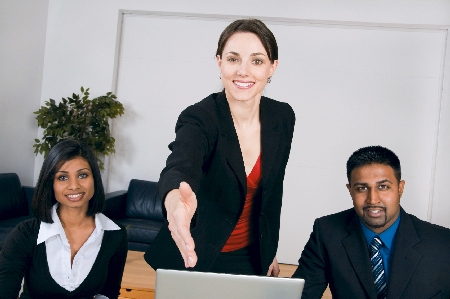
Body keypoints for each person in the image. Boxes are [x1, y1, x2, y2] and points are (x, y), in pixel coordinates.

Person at [144, 18, 295, 276]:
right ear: (219, 62)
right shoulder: (200, 117)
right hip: (196, 253)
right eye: (233, 59)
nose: (243, 71)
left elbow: (272, 191)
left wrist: (267, 248)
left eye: (257, 61)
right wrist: (174, 204)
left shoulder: (281, 117)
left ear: (272, 67)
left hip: (250, 257)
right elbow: (180, 165)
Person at [292, 145, 450, 298]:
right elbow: (301, 294)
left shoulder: (442, 243)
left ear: (400, 188)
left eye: (383, 186)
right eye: (361, 188)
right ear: (350, 190)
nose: (373, 199)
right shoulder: (327, 232)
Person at [0, 139, 128, 299]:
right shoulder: (25, 234)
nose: (74, 185)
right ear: (50, 183)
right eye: (62, 177)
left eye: (83, 175)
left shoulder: (115, 235)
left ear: (94, 178)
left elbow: (108, 294)